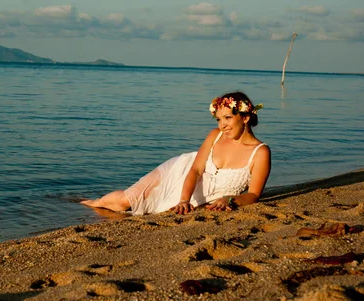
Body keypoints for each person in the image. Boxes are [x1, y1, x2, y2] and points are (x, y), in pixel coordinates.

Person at [81, 91, 271, 215]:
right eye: (219, 119)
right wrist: (184, 200)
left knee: (148, 211)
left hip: (205, 199)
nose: (222, 125)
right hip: (180, 171)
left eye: (228, 118)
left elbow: (254, 195)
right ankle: (95, 202)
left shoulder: (260, 153)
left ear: (245, 117)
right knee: (125, 201)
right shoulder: (216, 135)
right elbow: (196, 170)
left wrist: (229, 200)